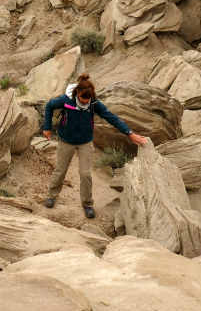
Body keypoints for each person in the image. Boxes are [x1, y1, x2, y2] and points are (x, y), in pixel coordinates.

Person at [42, 73, 147, 218]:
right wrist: (47, 127)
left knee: (85, 173)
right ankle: (51, 196)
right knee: (61, 170)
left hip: (85, 141)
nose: (85, 101)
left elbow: (112, 118)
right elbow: (49, 106)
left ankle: (87, 204)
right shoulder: (66, 100)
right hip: (66, 140)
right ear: (77, 93)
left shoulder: (94, 104)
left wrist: (130, 133)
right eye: (83, 97)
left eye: (88, 98)